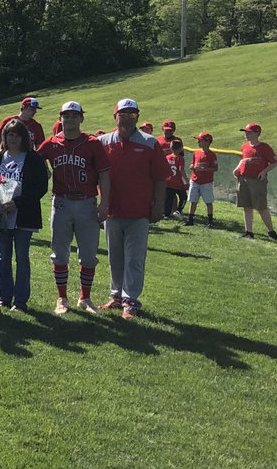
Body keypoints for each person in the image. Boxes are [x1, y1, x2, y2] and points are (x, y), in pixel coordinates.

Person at [98, 98, 172, 319]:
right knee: (115, 257)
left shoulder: (150, 143)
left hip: (139, 210)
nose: (127, 119)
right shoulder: (103, 142)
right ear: (115, 117)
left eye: (132, 115)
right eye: (123, 114)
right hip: (112, 210)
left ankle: (130, 300)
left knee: (134, 257)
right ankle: (116, 296)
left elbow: (160, 178)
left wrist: (158, 205)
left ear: (137, 117)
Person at [36, 101, 111, 314]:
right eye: (66, 115)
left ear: (81, 118)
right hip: (61, 202)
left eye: (74, 115)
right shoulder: (51, 143)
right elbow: (31, 160)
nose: (69, 119)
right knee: (59, 253)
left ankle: (85, 298)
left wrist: (104, 202)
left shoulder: (92, 143)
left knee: (88, 255)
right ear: (60, 118)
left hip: (87, 202)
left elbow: (105, 174)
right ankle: (62, 298)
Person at [0, 119, 48, 312]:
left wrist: (17, 203)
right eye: (9, 134)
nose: (13, 138)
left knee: (22, 257)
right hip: (2, 215)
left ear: (23, 137)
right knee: (3, 258)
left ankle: (20, 301)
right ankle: (3, 298)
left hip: (24, 215)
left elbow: (40, 187)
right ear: (4, 137)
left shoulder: (33, 158)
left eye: (17, 134)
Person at [0, 97, 45, 235]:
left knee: (22, 193)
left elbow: (40, 147)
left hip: (24, 164)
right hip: (5, 163)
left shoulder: (36, 126)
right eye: (31, 108)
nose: (33, 112)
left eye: (35, 110)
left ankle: (20, 226)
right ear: (23, 107)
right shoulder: (9, 120)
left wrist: (41, 165)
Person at [234, 122, 277, 242]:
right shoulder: (245, 146)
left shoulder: (264, 147)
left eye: (249, 132)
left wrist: (264, 171)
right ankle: (248, 231)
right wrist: (237, 168)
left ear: (257, 133)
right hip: (244, 178)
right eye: (246, 132)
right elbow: (244, 160)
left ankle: (271, 231)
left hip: (257, 180)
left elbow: (275, 162)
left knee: (261, 206)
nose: (246, 134)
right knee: (246, 206)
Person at [186, 132, 218, 227]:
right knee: (193, 201)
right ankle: (190, 219)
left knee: (208, 202)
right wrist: (192, 166)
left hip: (206, 182)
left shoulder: (211, 155)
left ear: (207, 142)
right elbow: (193, 164)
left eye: (200, 140)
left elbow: (215, 168)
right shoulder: (196, 153)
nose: (198, 142)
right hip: (195, 180)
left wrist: (204, 169)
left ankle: (210, 220)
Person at [164, 142, 188, 219]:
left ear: (171, 148)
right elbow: (181, 170)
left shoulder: (167, 157)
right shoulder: (180, 158)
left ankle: (166, 215)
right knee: (184, 197)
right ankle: (178, 211)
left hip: (168, 182)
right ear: (180, 149)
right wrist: (186, 181)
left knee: (169, 199)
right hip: (178, 183)